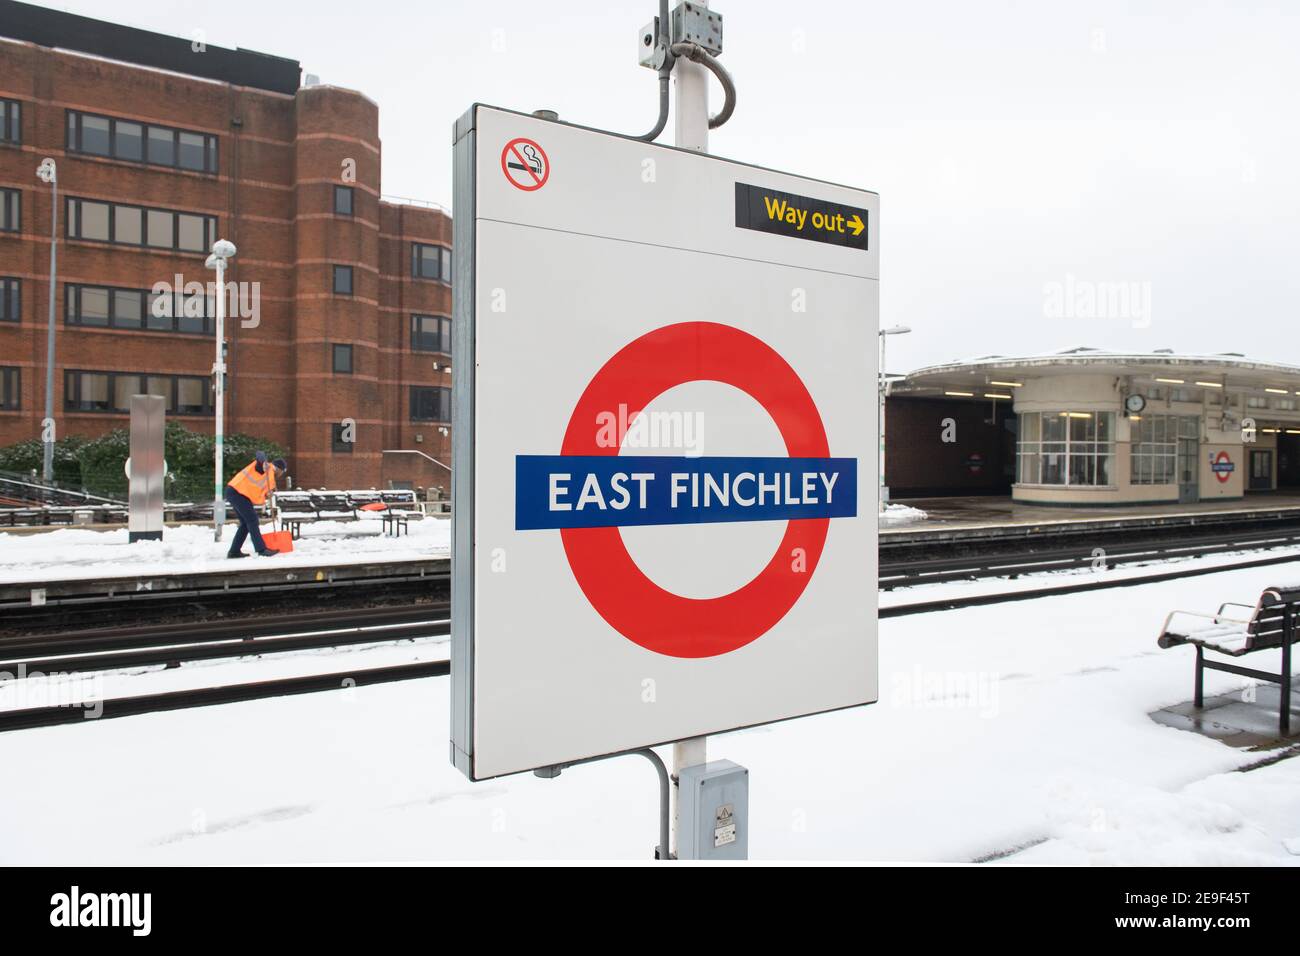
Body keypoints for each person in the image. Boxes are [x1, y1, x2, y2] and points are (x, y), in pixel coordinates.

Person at [225, 451, 287, 558]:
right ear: (280, 469)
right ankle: (261, 549)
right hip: (237, 492)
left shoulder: (269, 474)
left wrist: (267, 493)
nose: (281, 475)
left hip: (236, 493)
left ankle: (234, 551)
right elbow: (259, 456)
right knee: (253, 520)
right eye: (283, 472)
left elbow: (258, 488)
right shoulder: (267, 468)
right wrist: (262, 459)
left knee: (245, 523)